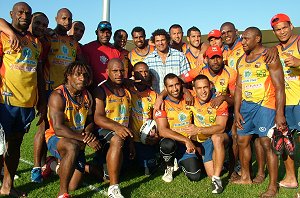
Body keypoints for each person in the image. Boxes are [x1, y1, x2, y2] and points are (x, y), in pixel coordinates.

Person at [234, 27, 286, 198]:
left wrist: (279, 113)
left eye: (246, 39)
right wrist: (237, 110)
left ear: (257, 39)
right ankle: (246, 177)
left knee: (267, 145)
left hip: (266, 105)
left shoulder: (269, 56)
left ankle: (273, 186)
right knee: (242, 141)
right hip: (246, 107)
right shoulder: (241, 60)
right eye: (242, 39)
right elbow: (239, 87)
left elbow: (279, 87)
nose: (243, 42)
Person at [0, 2, 44, 197]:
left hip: (26, 104)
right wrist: (9, 32)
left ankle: (7, 186)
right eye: (20, 12)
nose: (24, 15)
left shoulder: (36, 42)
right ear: (11, 14)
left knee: (15, 146)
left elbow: (39, 73)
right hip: (4, 102)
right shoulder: (3, 36)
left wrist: (41, 100)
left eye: (28, 13)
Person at [45, 61, 99, 198]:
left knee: (74, 185)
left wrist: (87, 133)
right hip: (57, 138)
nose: (82, 78)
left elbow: (90, 121)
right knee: (71, 146)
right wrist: (84, 138)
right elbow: (58, 128)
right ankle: (63, 193)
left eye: (85, 75)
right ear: (68, 76)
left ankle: (52, 164)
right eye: (78, 75)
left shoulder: (87, 95)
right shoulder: (58, 95)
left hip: (78, 138)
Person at [93, 58, 132, 198]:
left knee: (124, 170)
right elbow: (98, 117)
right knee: (116, 139)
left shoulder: (127, 90)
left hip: (123, 134)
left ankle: (90, 167)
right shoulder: (101, 90)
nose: (119, 74)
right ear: (107, 72)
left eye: (122, 71)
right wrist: (116, 127)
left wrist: (132, 143)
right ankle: (113, 188)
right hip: (105, 132)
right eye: (115, 71)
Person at [185, 74, 229, 194]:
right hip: (202, 140)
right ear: (194, 90)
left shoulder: (219, 101)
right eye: (199, 88)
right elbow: (175, 85)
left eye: (205, 87)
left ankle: (217, 180)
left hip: (217, 136)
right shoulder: (191, 98)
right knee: (209, 173)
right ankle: (221, 163)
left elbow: (221, 127)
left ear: (210, 86)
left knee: (217, 138)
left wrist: (198, 129)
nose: (203, 91)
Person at [154, 74, 200, 183]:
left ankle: (179, 161)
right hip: (173, 141)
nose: (175, 89)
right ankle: (168, 166)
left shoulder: (190, 97)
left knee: (195, 176)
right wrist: (186, 140)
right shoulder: (162, 104)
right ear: (165, 88)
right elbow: (162, 130)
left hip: (187, 144)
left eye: (177, 85)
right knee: (167, 144)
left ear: (181, 85)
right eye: (170, 86)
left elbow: (204, 94)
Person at [271, 13, 299, 189]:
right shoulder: (276, 49)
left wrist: (298, 62)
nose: (281, 32)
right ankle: (291, 178)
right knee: (285, 140)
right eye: (277, 30)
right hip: (285, 103)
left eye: (284, 28)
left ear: (291, 26)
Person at [128, 62, 159, 175]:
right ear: (133, 74)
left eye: (146, 71)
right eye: (140, 72)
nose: (144, 74)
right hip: (130, 138)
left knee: (148, 170)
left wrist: (155, 133)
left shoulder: (153, 94)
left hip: (146, 138)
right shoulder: (127, 91)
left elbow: (156, 117)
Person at [143, 29, 190, 93]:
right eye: (157, 41)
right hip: (157, 99)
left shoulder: (179, 56)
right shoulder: (148, 60)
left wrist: (186, 92)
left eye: (163, 40)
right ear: (154, 43)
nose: (160, 43)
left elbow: (186, 77)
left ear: (167, 40)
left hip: (177, 98)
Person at [82, 21, 120, 88]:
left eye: (108, 32)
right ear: (96, 32)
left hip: (111, 90)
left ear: (111, 34)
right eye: (102, 32)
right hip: (92, 89)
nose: (105, 35)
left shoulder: (116, 52)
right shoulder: (87, 48)